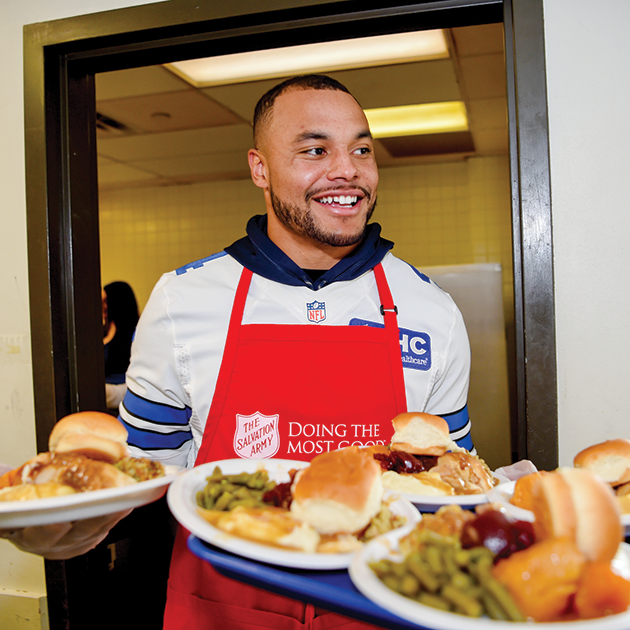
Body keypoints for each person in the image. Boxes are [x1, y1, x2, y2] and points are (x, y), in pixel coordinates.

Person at [1, 75, 472, 629]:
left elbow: (449, 485)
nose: (348, 169)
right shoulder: (183, 300)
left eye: (361, 148)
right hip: (221, 610)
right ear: (260, 169)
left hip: (386, 608)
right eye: (315, 149)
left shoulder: (431, 310)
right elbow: (145, 477)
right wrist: (77, 522)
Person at [102, 281, 139, 410]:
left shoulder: (134, 338)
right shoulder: (102, 333)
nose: (103, 307)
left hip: (123, 401)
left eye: (106, 301)